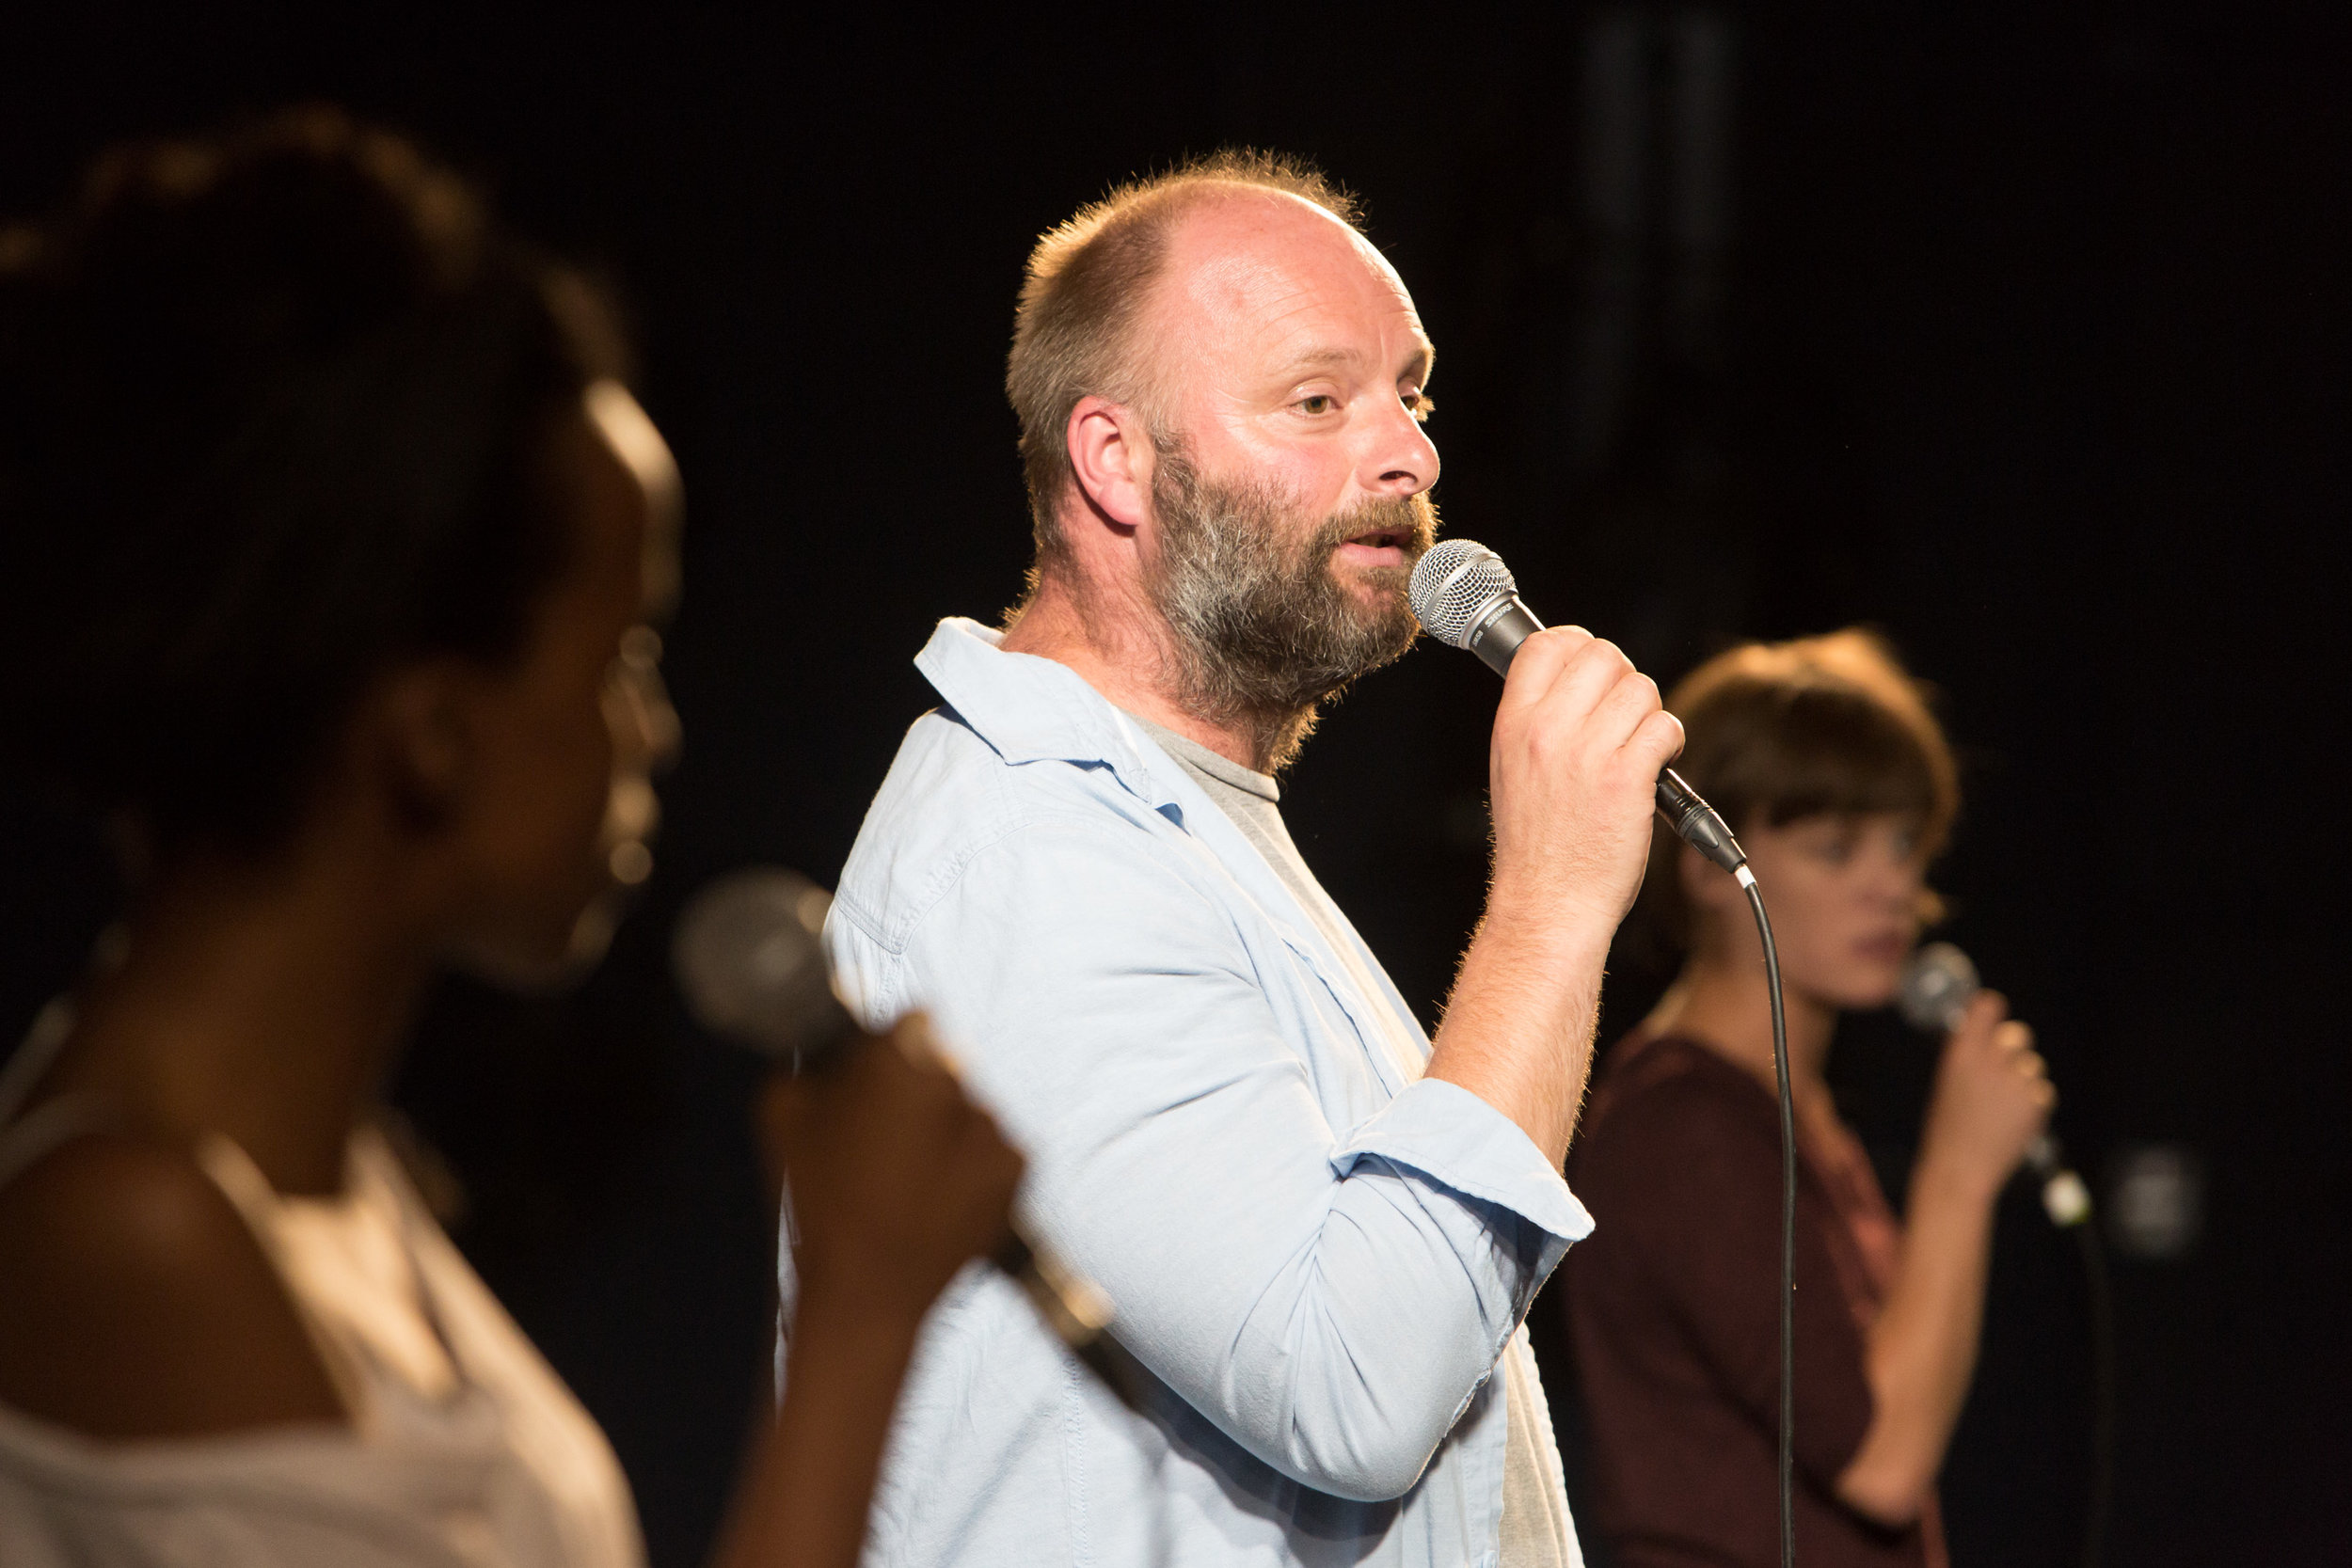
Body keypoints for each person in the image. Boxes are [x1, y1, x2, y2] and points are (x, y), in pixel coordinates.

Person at [0, 110, 1022, 1568]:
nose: (655, 732)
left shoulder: (335, 1177)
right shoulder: (135, 1234)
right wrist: (859, 1314)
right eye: (622, 657)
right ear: (433, 727)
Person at [817, 150, 1683, 1567]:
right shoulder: (1032, 841)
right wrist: (1550, 904)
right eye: (1318, 400)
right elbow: (1350, 1381)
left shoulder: (1176, 815)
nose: (1411, 455)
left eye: (1412, 392)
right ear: (1115, 459)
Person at [1558, 630, 2055, 1568]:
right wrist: (1959, 1167)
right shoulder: (1682, 1126)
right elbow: (1881, 1458)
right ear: (1708, 863)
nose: (1891, 885)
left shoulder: (1785, 1106)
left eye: (1904, 841)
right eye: (1835, 846)